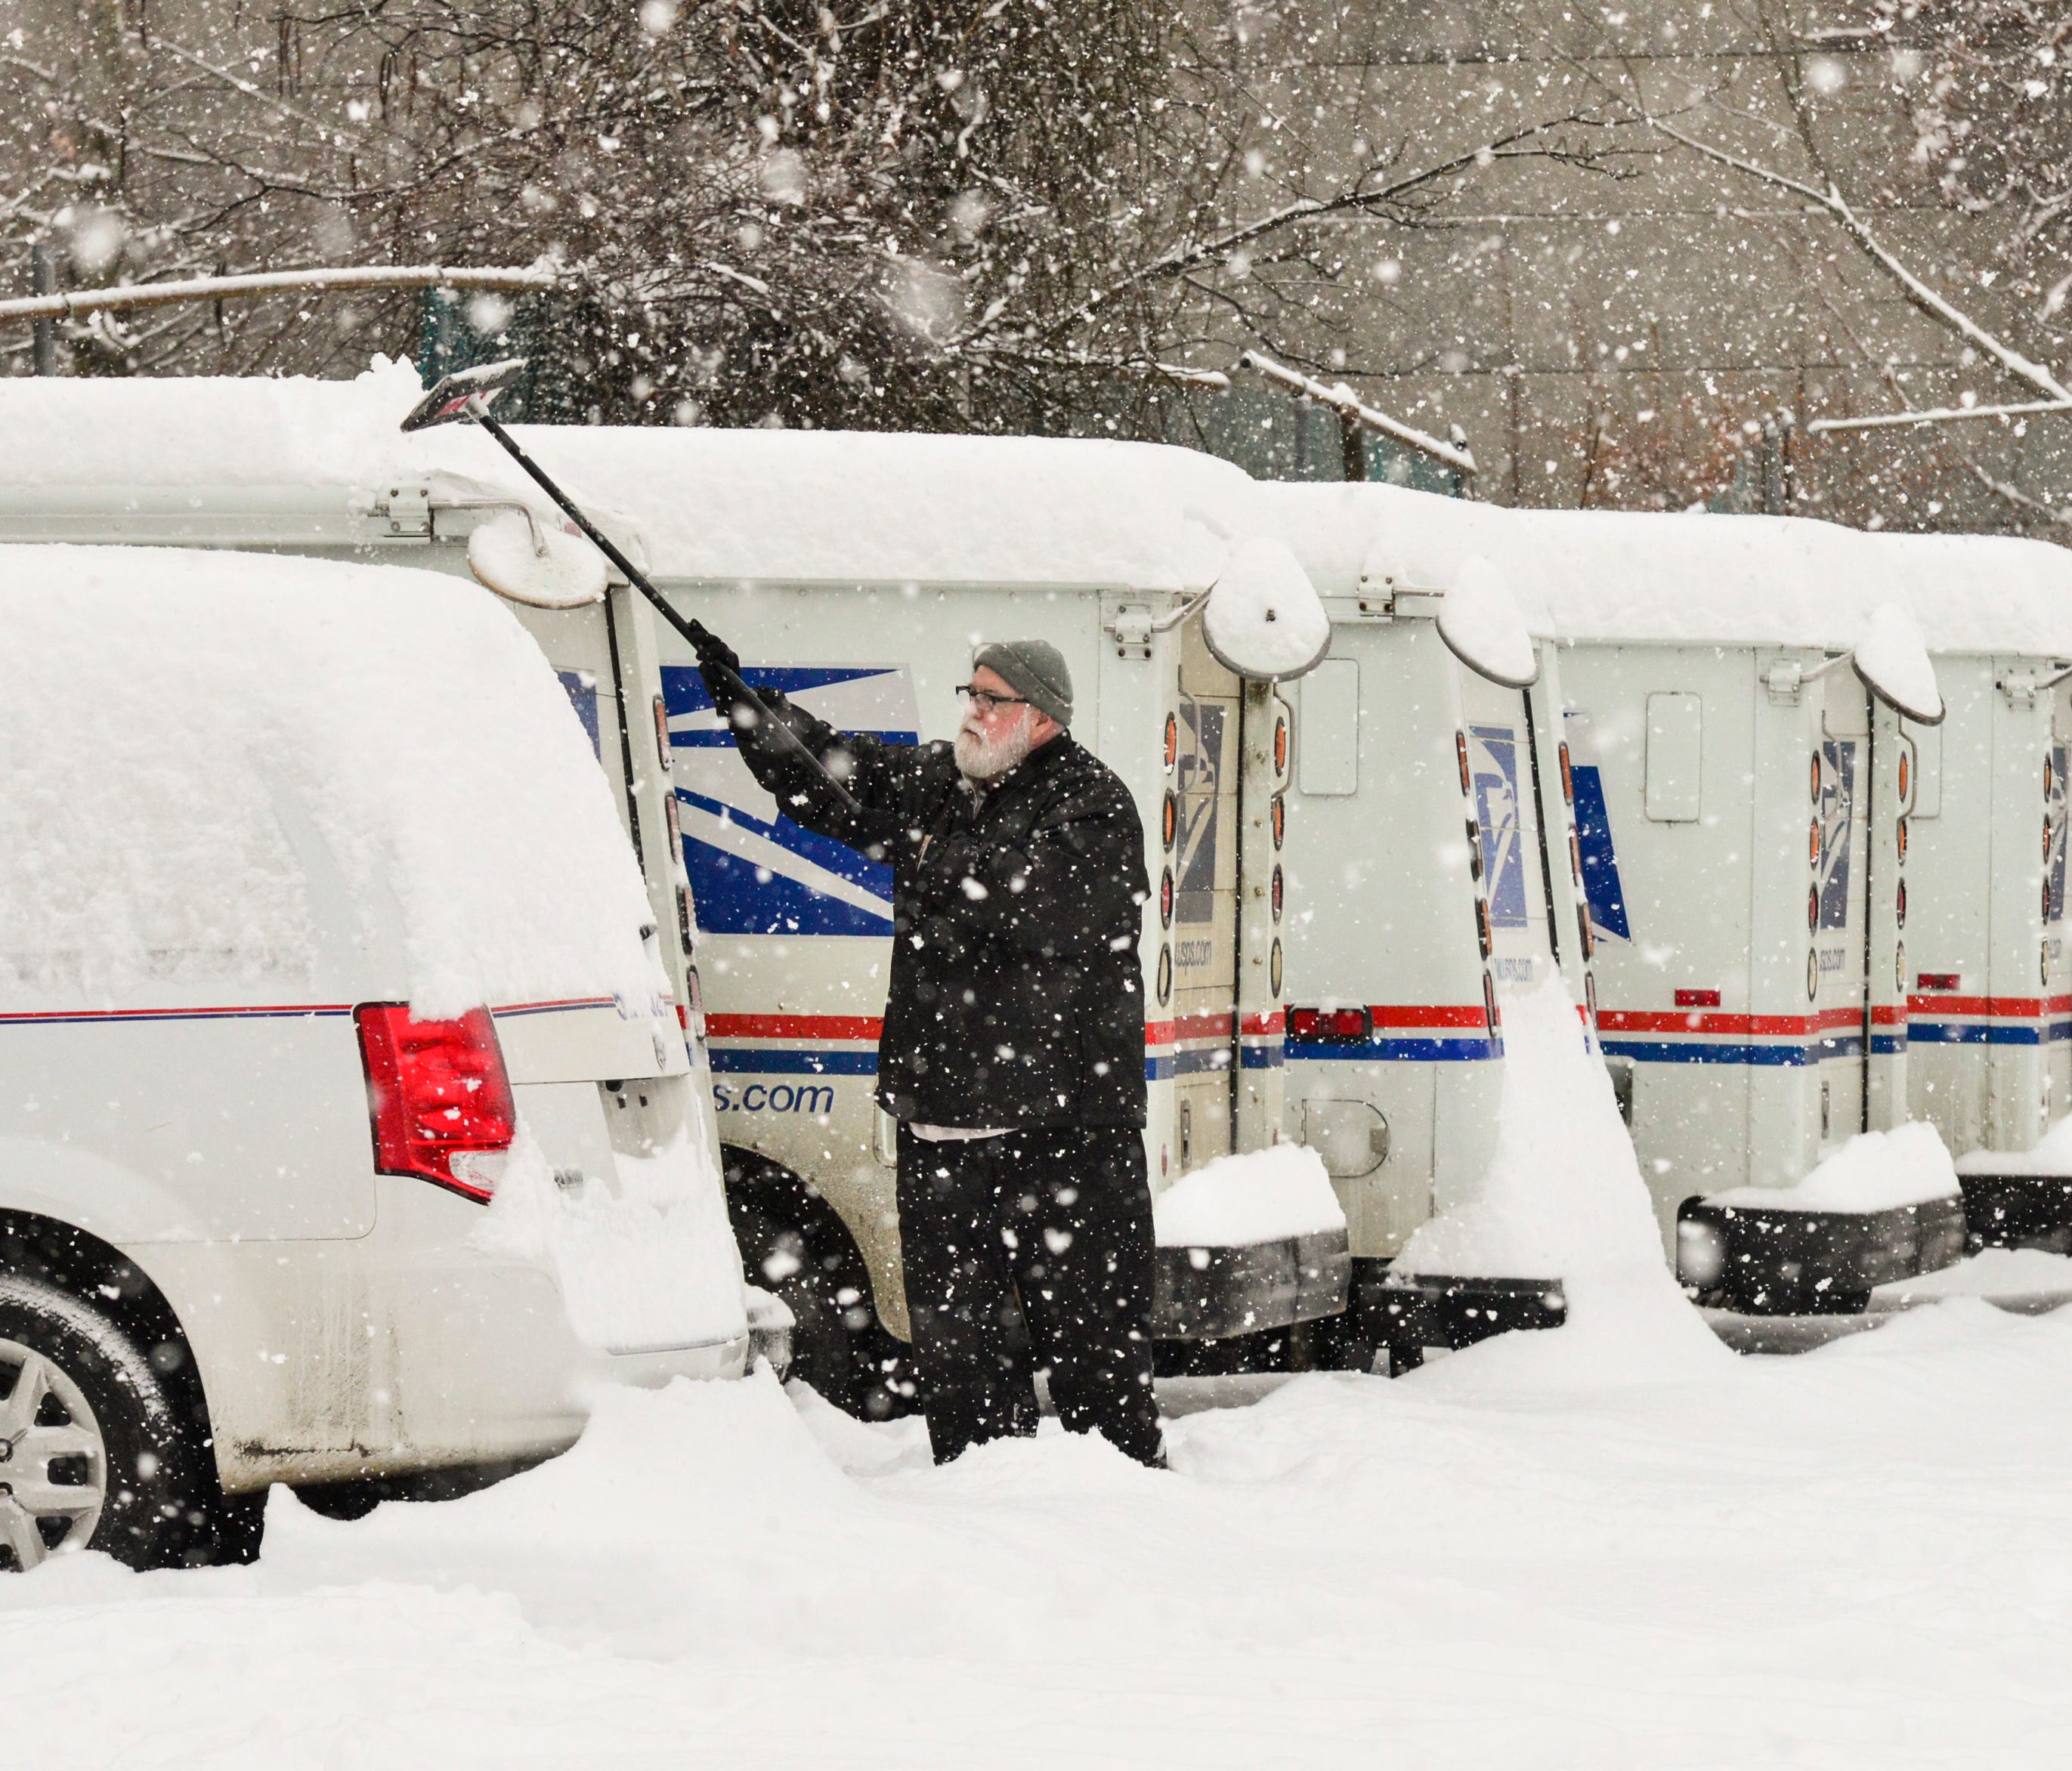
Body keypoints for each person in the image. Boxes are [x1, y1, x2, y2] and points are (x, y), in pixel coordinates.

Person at [693, 631, 1163, 1468]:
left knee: (1097, 1362)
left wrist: (921, 854)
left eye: (993, 700)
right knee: (961, 1362)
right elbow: (830, 770)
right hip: (941, 1132)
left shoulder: (1092, 805)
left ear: (1043, 717)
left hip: (1065, 1138)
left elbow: (1028, 905)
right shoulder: (943, 781)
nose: (973, 714)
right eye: (970, 694)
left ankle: (1125, 1520)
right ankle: (979, 1507)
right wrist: (750, 707)